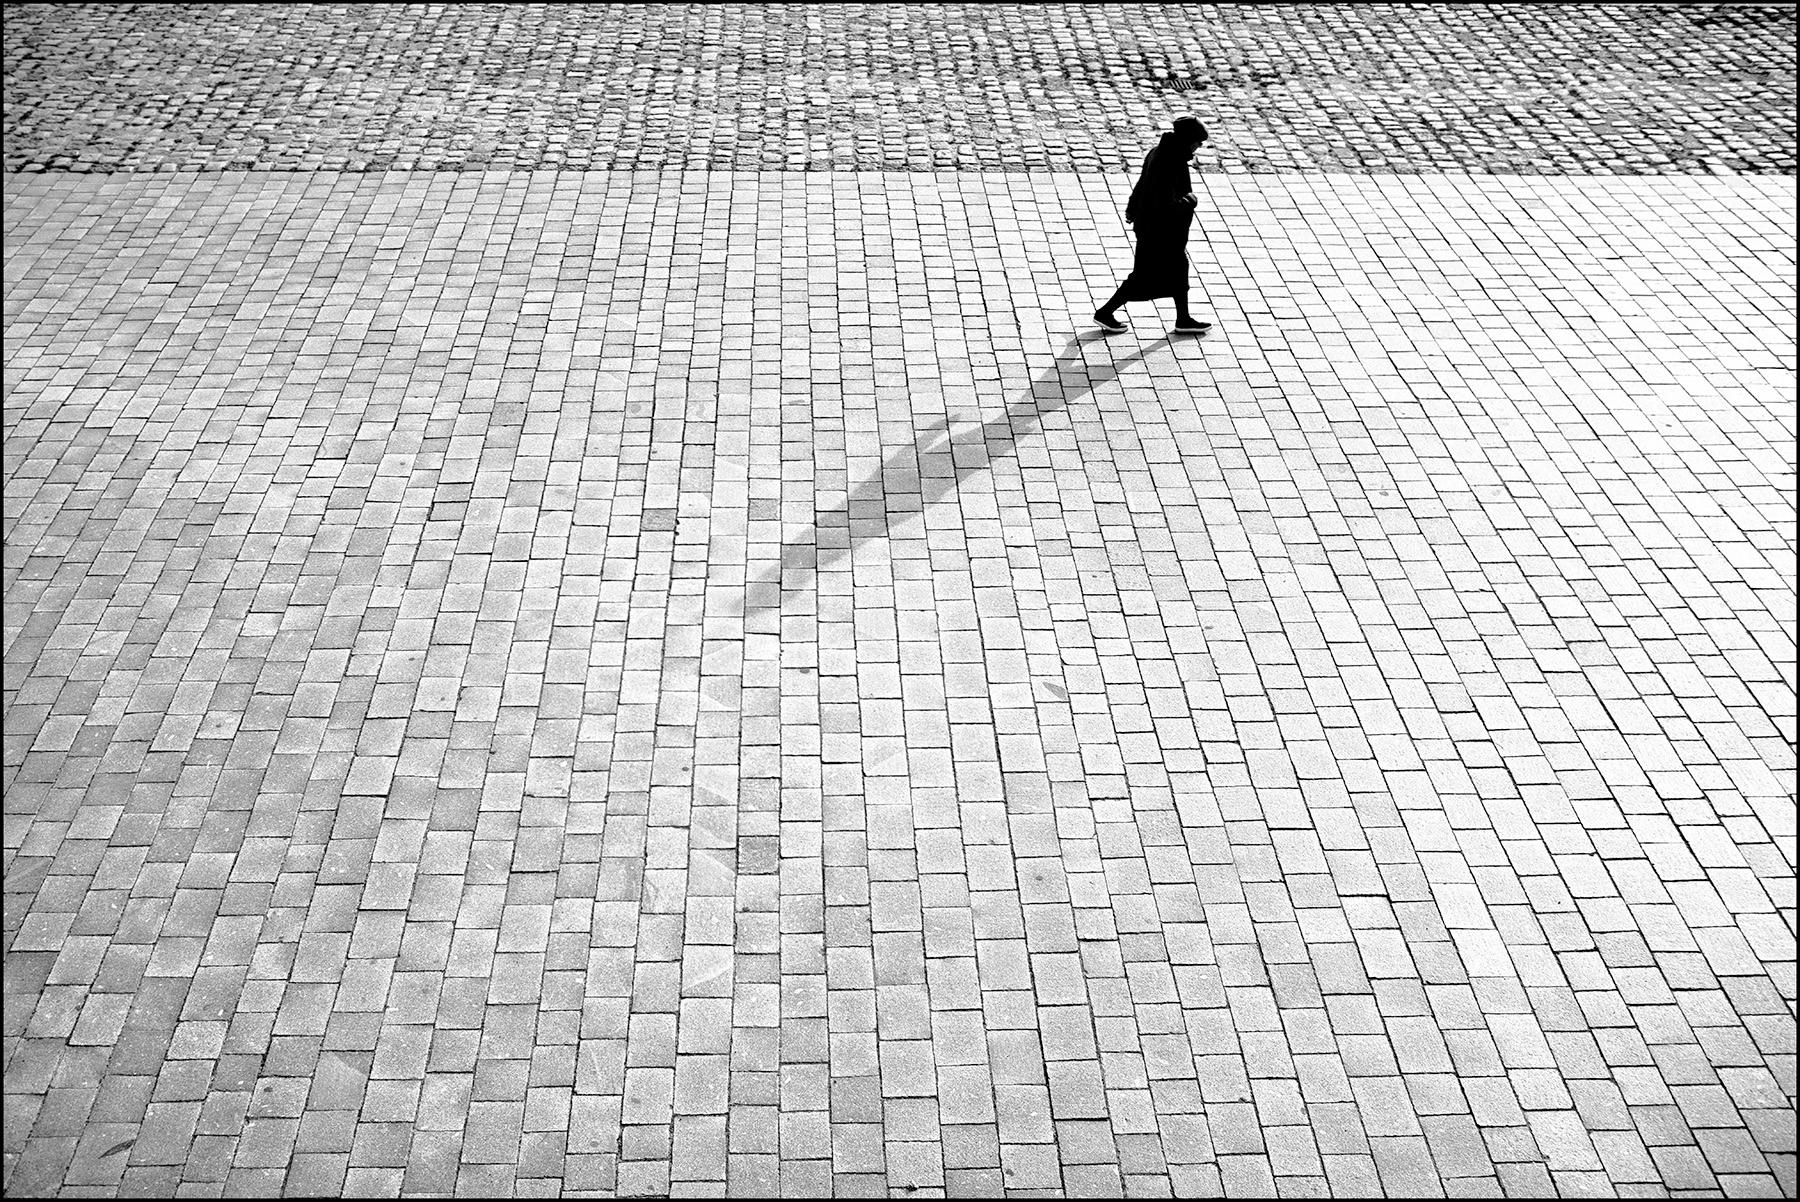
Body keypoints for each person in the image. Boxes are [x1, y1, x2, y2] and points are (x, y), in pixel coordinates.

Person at [1093, 115, 1212, 336]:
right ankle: (1104, 312)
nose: (1200, 145)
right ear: (1188, 140)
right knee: (1142, 277)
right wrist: (1191, 200)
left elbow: (1142, 185)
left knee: (1178, 271)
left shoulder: (1162, 152)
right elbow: (1165, 203)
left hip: (1159, 228)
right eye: (1198, 140)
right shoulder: (1169, 162)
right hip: (1159, 231)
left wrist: (1132, 208)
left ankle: (1183, 319)